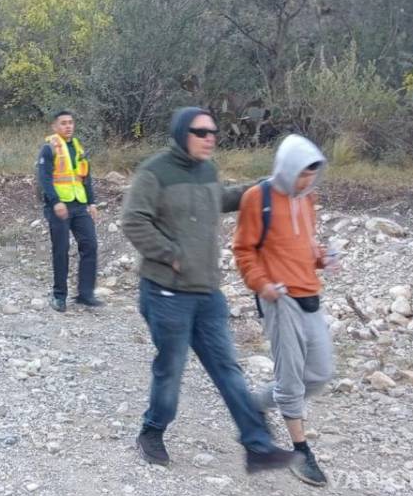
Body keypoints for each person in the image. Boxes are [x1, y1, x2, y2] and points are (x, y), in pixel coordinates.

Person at [120, 106, 297, 472]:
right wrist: (170, 254)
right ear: (182, 133)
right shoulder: (154, 172)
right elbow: (133, 221)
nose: (210, 137)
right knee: (171, 368)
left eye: (213, 131)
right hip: (166, 293)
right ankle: (151, 432)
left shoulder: (207, 170)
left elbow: (222, 198)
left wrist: (262, 186)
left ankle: (257, 445)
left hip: (207, 293)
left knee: (228, 369)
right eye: (201, 132)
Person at [233, 134, 337, 487]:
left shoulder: (308, 199)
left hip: (310, 296)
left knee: (320, 373)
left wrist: (322, 257)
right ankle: (301, 451)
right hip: (279, 300)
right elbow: (244, 251)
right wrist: (262, 284)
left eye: (313, 174)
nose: (307, 181)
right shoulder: (256, 198)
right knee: (291, 379)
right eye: (302, 173)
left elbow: (304, 246)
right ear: (287, 167)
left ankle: (253, 403)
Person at [37, 110, 101, 312]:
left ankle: (85, 293)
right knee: (61, 250)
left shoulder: (79, 148)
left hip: (79, 205)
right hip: (59, 207)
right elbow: (45, 178)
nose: (68, 126)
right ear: (54, 127)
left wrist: (92, 202)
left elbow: (85, 177)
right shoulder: (49, 149)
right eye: (63, 123)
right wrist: (55, 201)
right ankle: (59, 296)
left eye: (71, 122)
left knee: (90, 244)